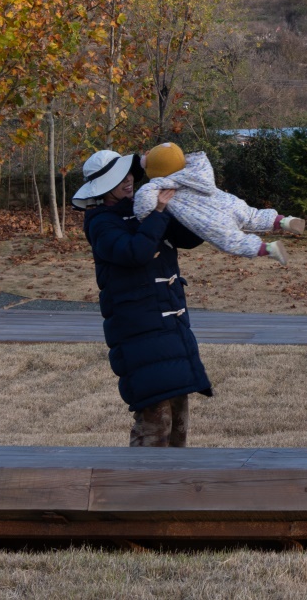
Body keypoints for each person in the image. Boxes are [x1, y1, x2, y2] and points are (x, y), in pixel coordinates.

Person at [75, 148, 212, 447]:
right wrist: (158, 213)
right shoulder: (100, 223)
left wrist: (185, 204)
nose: (128, 182)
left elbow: (190, 238)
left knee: (178, 417)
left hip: (167, 323)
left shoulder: (142, 205)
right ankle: (138, 488)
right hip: (139, 328)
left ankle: (169, 488)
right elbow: (134, 252)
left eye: (129, 175)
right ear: (101, 188)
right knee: (154, 420)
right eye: (118, 178)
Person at [131, 143, 304, 263]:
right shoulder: (197, 171)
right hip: (225, 201)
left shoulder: (160, 185)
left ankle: (270, 249)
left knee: (231, 240)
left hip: (207, 219)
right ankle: (284, 221)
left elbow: (143, 206)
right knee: (251, 215)